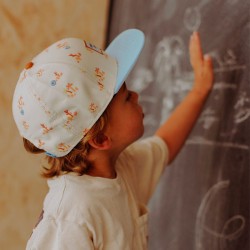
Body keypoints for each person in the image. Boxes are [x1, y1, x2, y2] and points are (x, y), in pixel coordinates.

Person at [12, 29, 213, 249]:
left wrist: (199, 91)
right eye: (126, 97)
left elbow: (164, 144)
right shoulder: (70, 217)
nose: (136, 95)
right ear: (99, 138)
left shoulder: (121, 168)